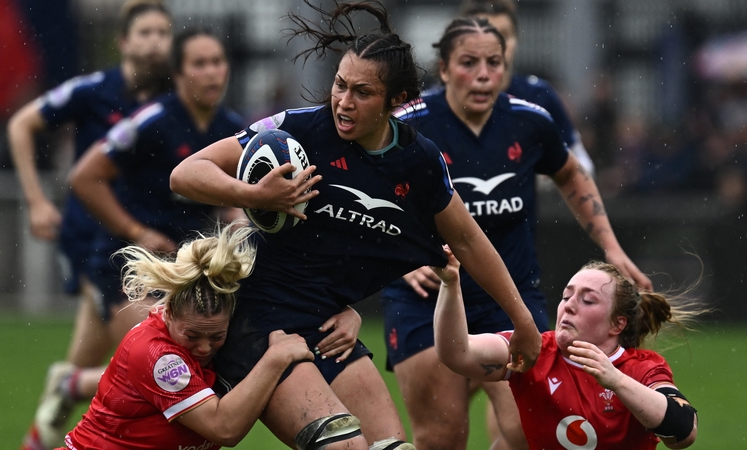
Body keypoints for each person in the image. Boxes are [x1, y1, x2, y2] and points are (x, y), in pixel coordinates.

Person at [169, 1, 541, 448]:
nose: (343, 102)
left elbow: (467, 239)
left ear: (397, 102)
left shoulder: (419, 161)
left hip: (327, 326)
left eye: (362, 93)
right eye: (340, 85)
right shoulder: (300, 130)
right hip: (260, 317)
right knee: (345, 446)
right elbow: (185, 174)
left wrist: (523, 323)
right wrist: (254, 195)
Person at [379, 16, 653, 450]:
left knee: (528, 433)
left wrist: (611, 246)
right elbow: (363, 191)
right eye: (469, 62)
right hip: (427, 298)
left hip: (508, 294)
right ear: (445, 69)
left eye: (495, 62)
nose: (485, 74)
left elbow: (571, 174)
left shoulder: (531, 121)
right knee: (443, 436)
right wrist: (397, 257)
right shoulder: (409, 124)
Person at [8, 2, 172, 449]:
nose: (156, 41)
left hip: (148, 247)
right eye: (146, 32)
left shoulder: (174, 100)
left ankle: (43, 433)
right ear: (124, 42)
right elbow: (21, 124)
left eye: (163, 32)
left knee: (97, 364)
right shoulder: (95, 90)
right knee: (156, 359)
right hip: (97, 244)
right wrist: (37, 201)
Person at [57, 222, 315, 450]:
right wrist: (274, 359)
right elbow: (223, 428)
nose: (204, 347)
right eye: (192, 335)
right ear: (168, 313)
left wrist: (345, 311)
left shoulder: (229, 327)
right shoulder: (158, 357)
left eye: (216, 336)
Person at [432, 247, 700, 449]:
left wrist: (616, 380)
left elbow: (684, 432)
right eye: (566, 295)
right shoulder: (535, 351)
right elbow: (456, 353)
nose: (569, 305)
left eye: (588, 300)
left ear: (617, 325)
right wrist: (450, 283)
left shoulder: (641, 368)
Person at [461, 0, 595, 176]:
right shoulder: (439, 102)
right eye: (483, 36)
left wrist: (547, 173)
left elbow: (584, 166)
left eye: (504, 35)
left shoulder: (540, 96)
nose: (494, 45)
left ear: (517, 40)